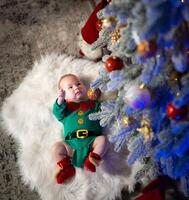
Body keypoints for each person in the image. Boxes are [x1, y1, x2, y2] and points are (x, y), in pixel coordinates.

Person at [52, 74, 108, 184]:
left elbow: (105, 112)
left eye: (78, 84)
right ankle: (66, 167)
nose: (76, 87)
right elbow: (56, 112)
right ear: (65, 95)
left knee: (103, 140)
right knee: (56, 148)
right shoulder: (65, 109)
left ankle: (92, 160)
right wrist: (60, 100)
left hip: (91, 143)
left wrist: (98, 98)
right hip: (71, 147)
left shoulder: (93, 104)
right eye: (70, 87)